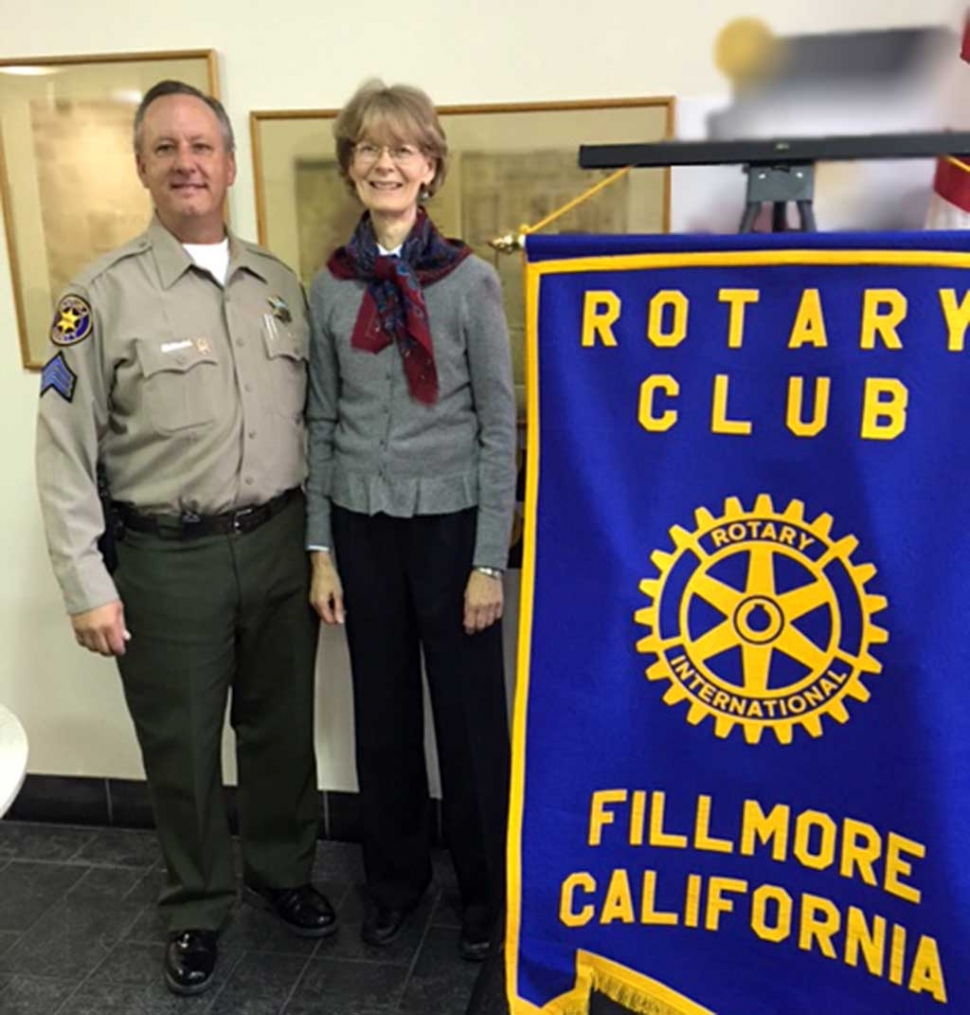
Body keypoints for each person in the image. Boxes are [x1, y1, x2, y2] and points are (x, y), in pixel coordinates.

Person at [35, 80, 336, 997]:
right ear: (140, 167)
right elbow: (62, 448)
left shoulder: (279, 286)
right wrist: (85, 581)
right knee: (184, 744)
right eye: (165, 148)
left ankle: (281, 870)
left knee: (281, 731)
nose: (186, 163)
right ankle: (198, 905)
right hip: (168, 560)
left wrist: (321, 547)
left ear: (231, 164)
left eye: (202, 145)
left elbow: (316, 423)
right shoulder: (99, 297)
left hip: (280, 543)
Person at [306, 79, 515, 962]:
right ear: (352, 166)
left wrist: (488, 562)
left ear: (430, 168)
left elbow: (501, 425)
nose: (385, 163)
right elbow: (317, 420)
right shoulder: (328, 286)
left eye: (404, 149)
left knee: (470, 725)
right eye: (369, 148)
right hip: (361, 532)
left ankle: (486, 893)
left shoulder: (470, 282)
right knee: (383, 719)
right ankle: (394, 883)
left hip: (452, 530)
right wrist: (320, 550)